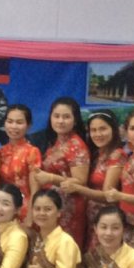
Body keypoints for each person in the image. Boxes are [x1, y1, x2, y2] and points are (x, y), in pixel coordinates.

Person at [61, 110, 124, 249]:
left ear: (113, 129)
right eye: (93, 130)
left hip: (107, 222)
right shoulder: (96, 154)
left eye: (103, 129)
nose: (98, 134)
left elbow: (108, 196)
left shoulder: (117, 155)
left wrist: (78, 188)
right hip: (91, 219)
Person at [34, 97, 90, 248]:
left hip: (69, 207)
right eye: (56, 116)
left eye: (66, 117)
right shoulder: (57, 142)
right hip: (52, 205)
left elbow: (80, 181)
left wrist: (51, 178)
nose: (60, 121)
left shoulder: (76, 145)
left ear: (75, 120)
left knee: (64, 251)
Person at [0, 104, 41, 224]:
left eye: (19, 122)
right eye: (10, 121)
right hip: (3, 210)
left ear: (28, 126)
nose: (14, 126)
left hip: (24, 210)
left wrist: (30, 218)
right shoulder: (0, 152)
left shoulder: (32, 152)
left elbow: (35, 190)